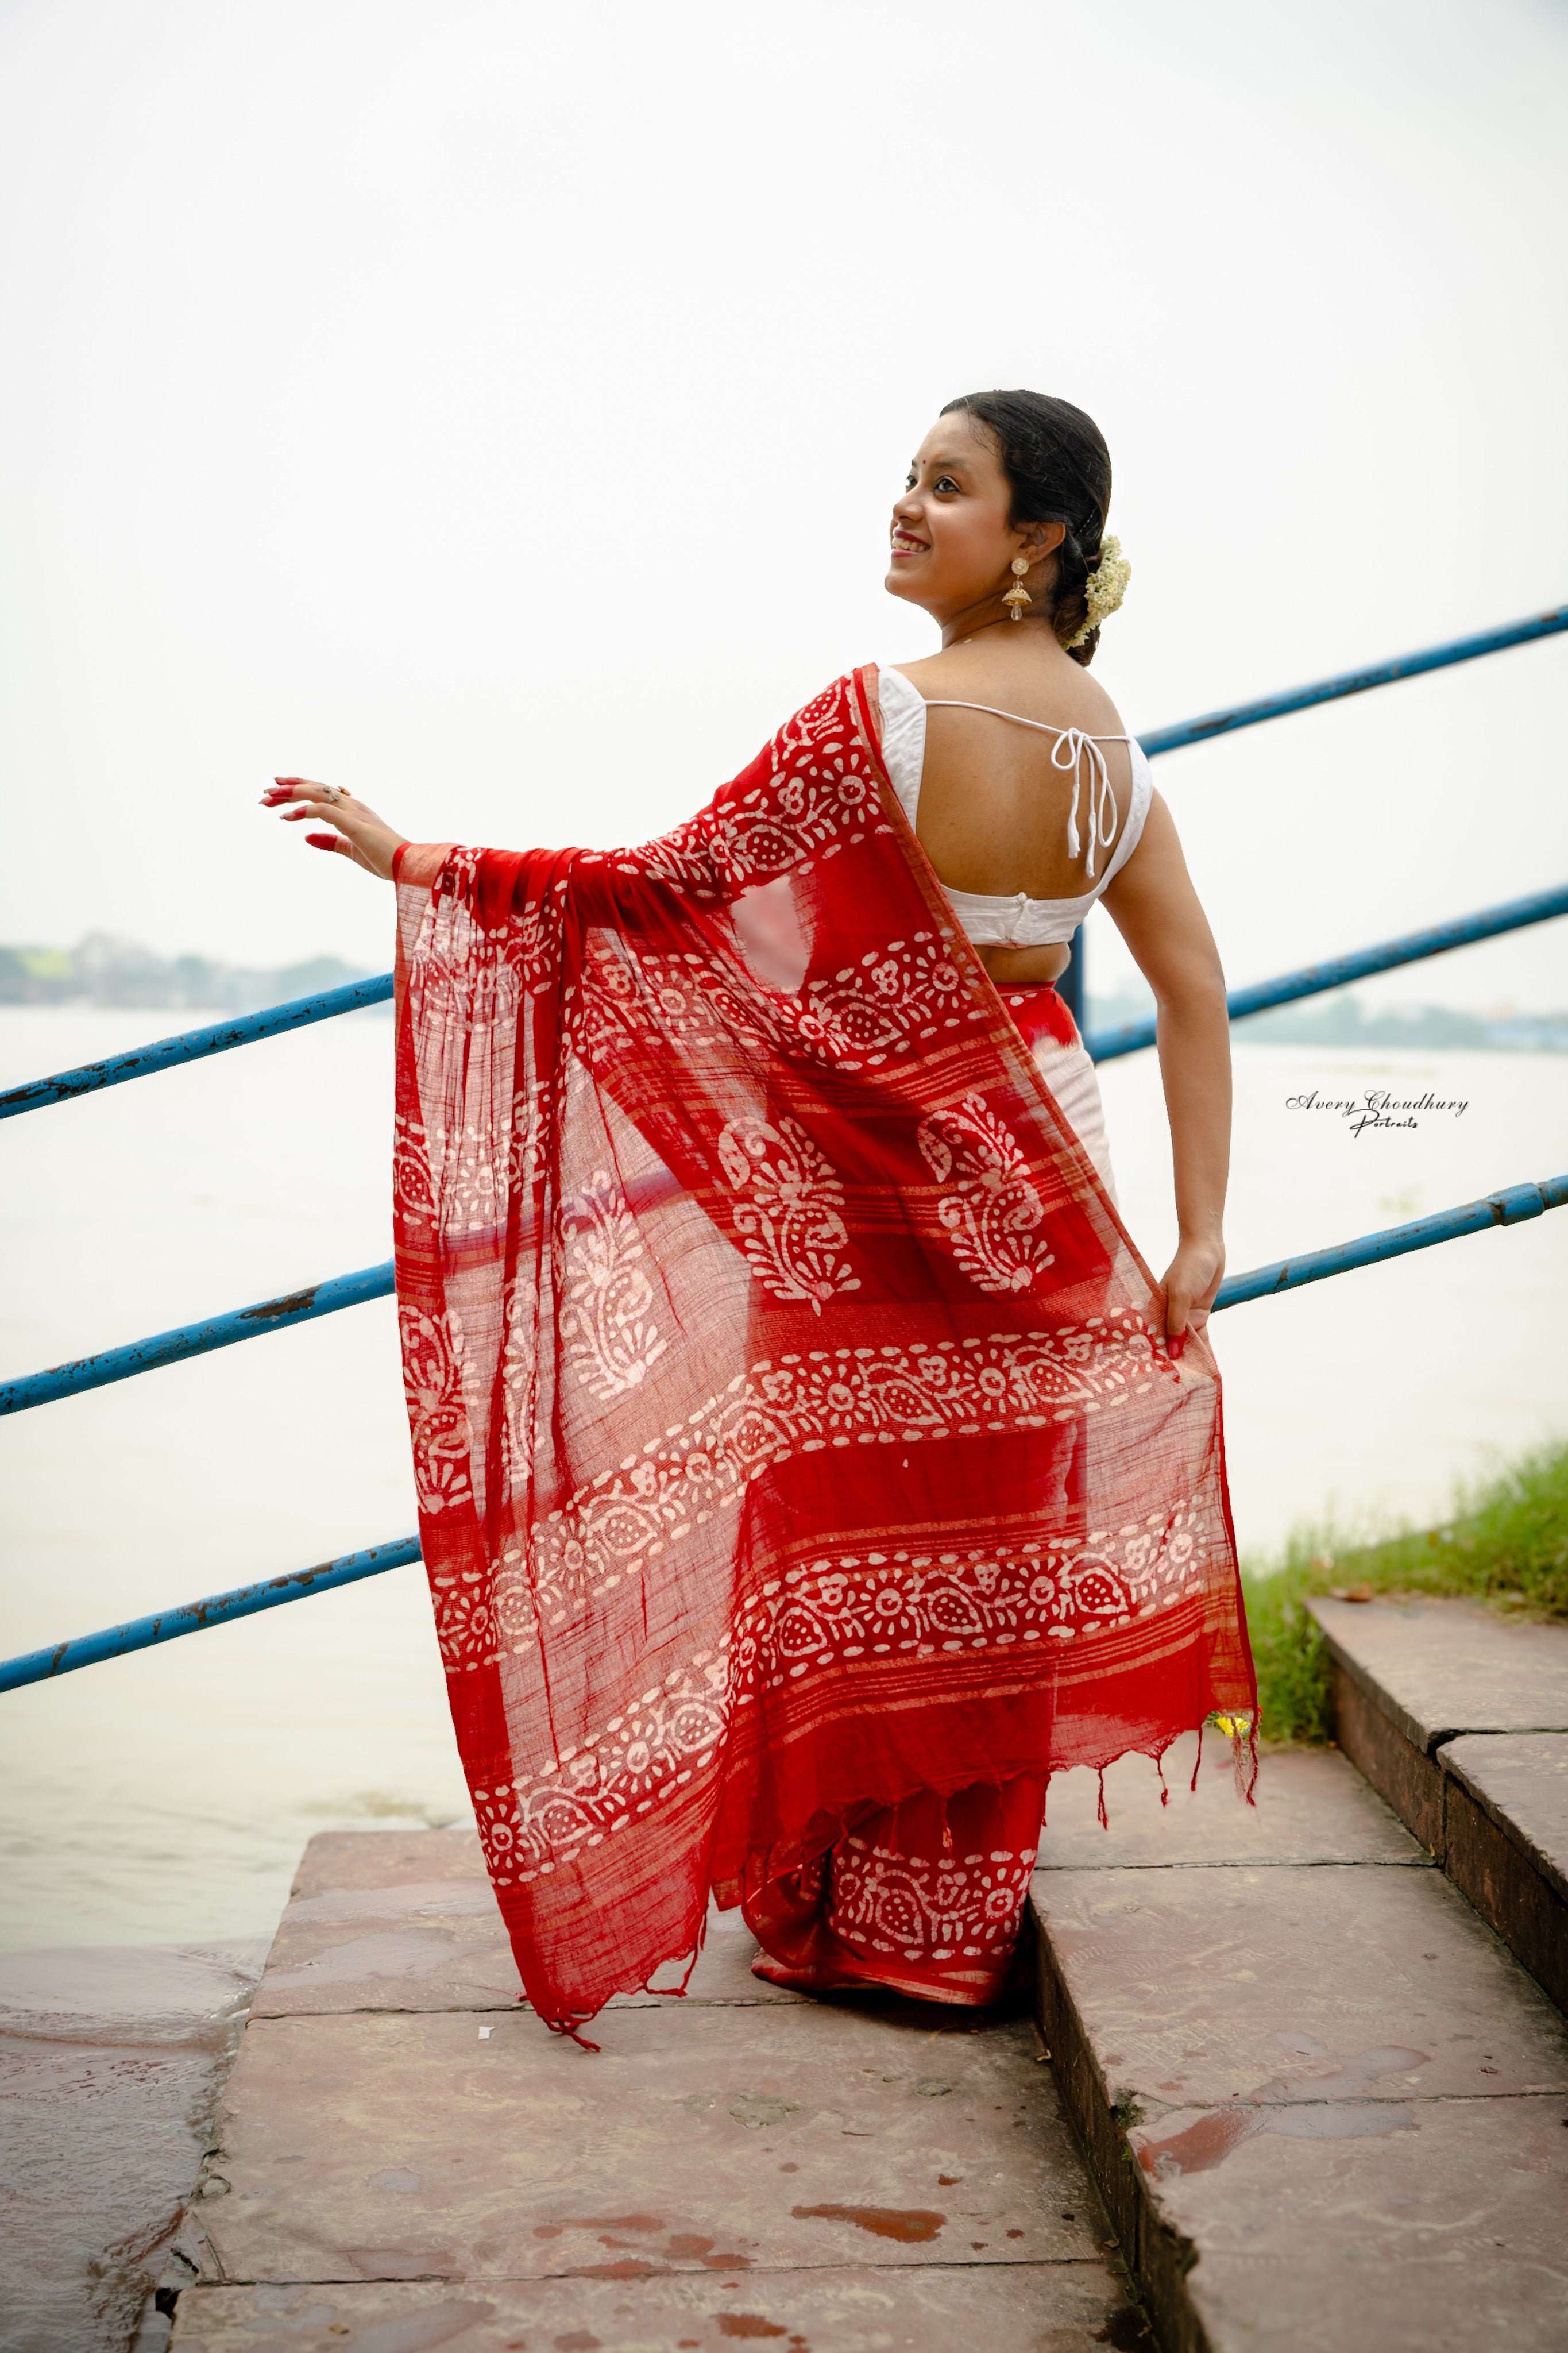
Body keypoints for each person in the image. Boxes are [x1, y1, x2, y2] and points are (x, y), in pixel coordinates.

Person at [262, 389, 1253, 2039]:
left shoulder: (883, 716)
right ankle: (944, 1927)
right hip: (1038, 1135)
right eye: (907, 478)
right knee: (990, 1544)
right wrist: (1199, 1232)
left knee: (841, 1531)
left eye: (945, 487)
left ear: (1037, 542)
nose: (904, 507)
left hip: (865, 1172)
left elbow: (665, 889)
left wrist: (422, 861)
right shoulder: (1114, 756)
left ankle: (829, 1913)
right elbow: (1192, 987)